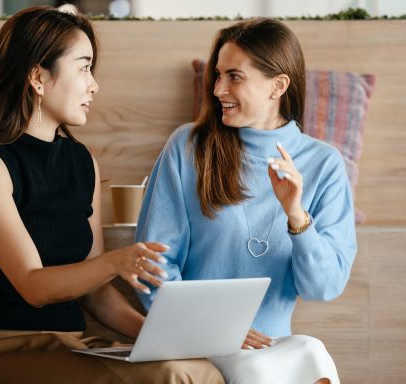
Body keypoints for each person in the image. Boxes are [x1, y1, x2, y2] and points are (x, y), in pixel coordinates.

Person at [0, 5, 225, 384]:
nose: (94, 85)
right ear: (38, 77)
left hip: (70, 344)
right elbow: (34, 286)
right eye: (84, 67)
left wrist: (166, 339)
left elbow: (96, 294)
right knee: (174, 377)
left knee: (200, 369)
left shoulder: (82, 161)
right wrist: (115, 261)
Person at [135, 18, 357, 384]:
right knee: (261, 369)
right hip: (197, 339)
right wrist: (212, 329)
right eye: (217, 75)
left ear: (278, 85)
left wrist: (296, 216)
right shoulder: (188, 147)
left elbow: (325, 286)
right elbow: (152, 266)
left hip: (273, 342)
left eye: (234, 76)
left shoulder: (325, 164)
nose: (219, 88)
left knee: (313, 351)